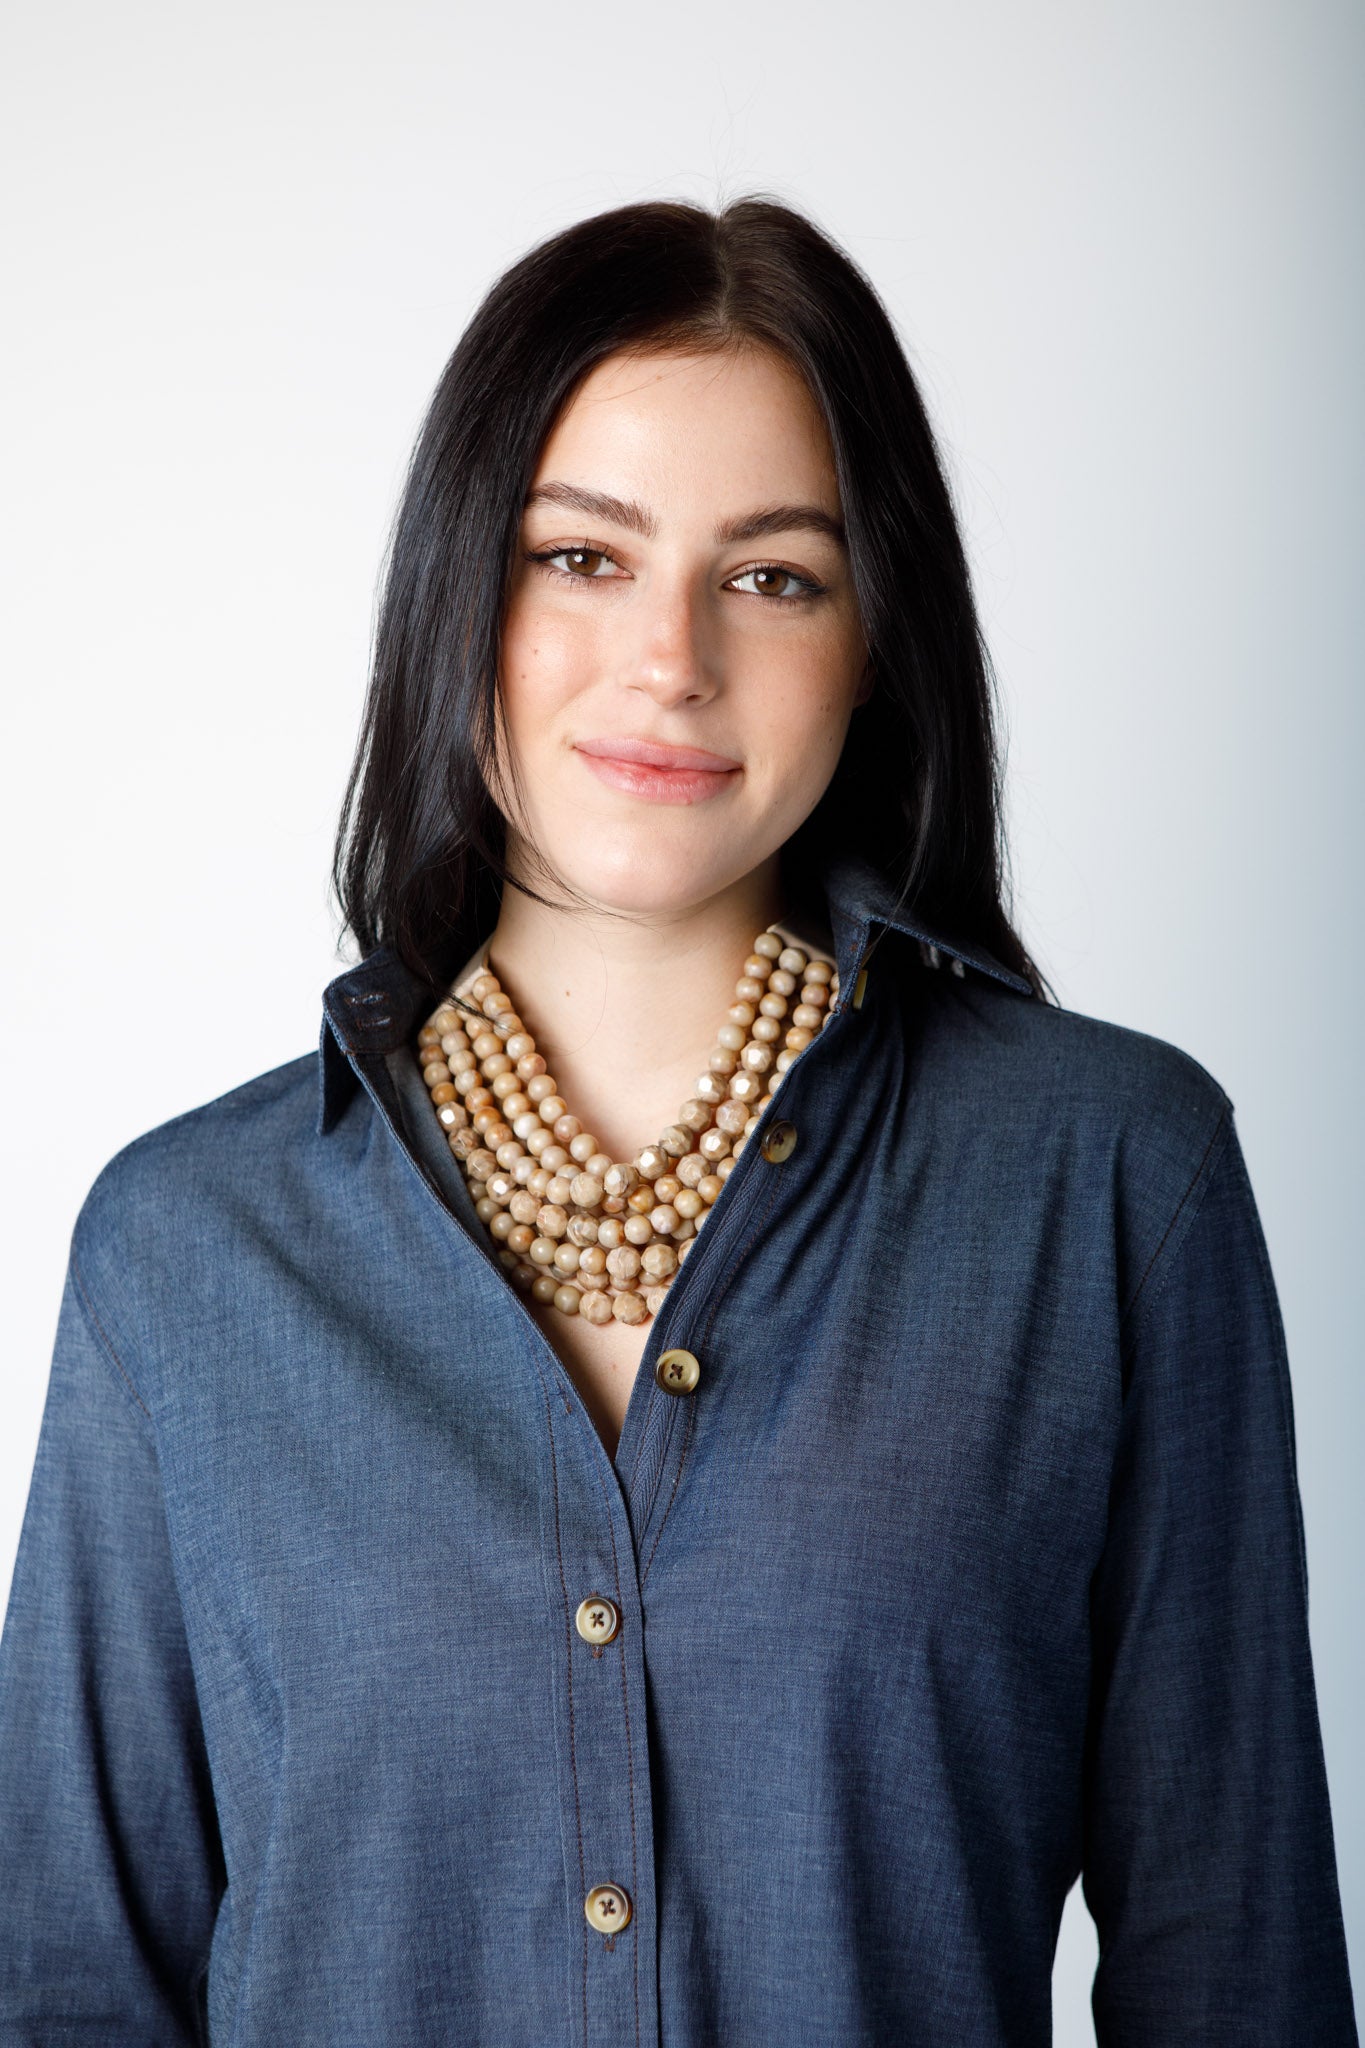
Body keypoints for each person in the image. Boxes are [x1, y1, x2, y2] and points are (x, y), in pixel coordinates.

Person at [0, 197, 1355, 2047]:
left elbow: (1234, 1964)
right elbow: (74, 1987)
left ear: (874, 638)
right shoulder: (183, 1253)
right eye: (580, 557)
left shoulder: (1116, 1181)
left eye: (773, 574)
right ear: (456, 583)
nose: (670, 660)